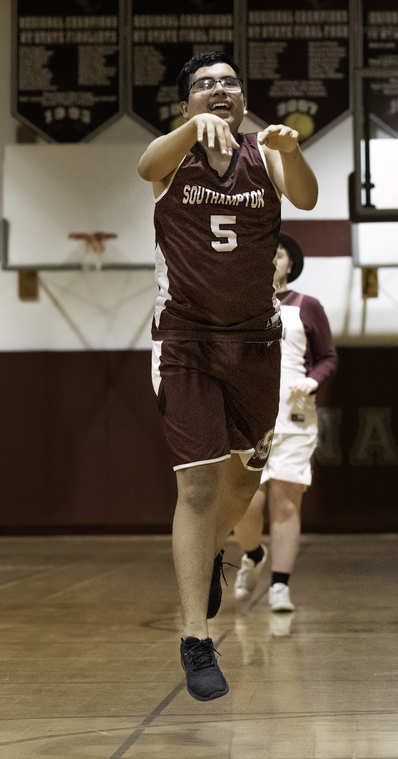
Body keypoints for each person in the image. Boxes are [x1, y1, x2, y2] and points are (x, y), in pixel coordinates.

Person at [137, 51, 318, 702]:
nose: (219, 89)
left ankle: (216, 553)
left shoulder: (264, 157)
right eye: (204, 84)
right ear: (187, 103)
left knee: (242, 486)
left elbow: (307, 195)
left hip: (255, 344)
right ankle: (195, 636)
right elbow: (145, 164)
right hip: (186, 340)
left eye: (229, 82)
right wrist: (190, 131)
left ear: (243, 99)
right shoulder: (173, 157)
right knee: (196, 488)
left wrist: (291, 149)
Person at [233, 232, 339, 613]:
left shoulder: (307, 306)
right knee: (245, 504)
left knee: (287, 503)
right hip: (248, 419)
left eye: (276, 254)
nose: (271, 260)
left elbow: (327, 356)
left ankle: (280, 586)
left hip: (294, 418)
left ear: (289, 262)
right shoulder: (240, 306)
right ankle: (253, 554)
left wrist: (313, 380)